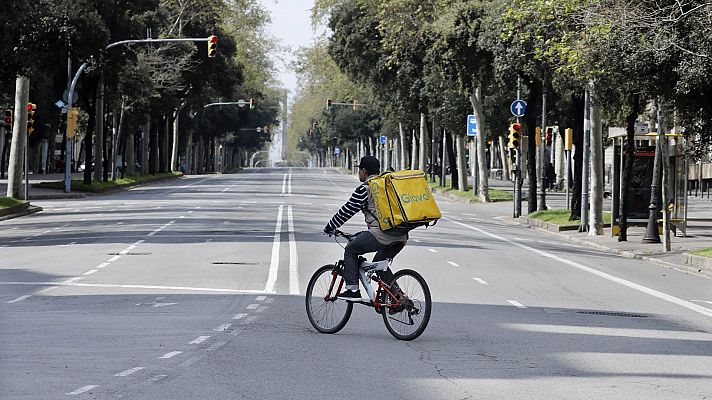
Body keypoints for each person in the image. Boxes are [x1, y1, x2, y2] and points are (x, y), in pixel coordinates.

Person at [323, 156, 407, 300]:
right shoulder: (388, 185)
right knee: (380, 264)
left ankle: (353, 290)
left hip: (381, 235)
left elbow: (346, 211)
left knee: (351, 249)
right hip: (401, 235)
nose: (359, 174)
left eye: (359, 171)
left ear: (364, 171)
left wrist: (330, 227)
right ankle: (399, 298)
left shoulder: (366, 188)